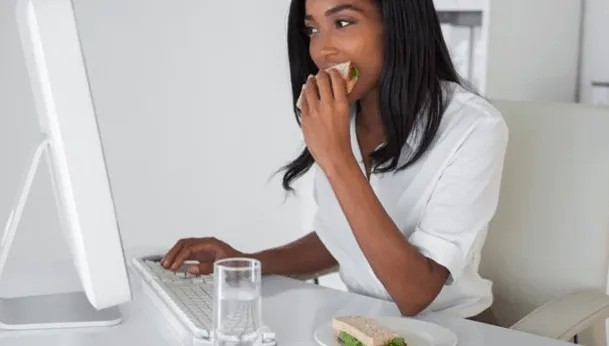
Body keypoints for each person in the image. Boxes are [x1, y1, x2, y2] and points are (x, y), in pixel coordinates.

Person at [161, 0, 508, 322]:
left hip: (458, 329)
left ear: (399, 25)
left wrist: (337, 157)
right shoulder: (344, 116)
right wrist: (247, 262)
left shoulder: (474, 126)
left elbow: (415, 293)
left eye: (343, 22)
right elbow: (341, 237)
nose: (323, 51)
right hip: (369, 324)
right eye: (312, 29)